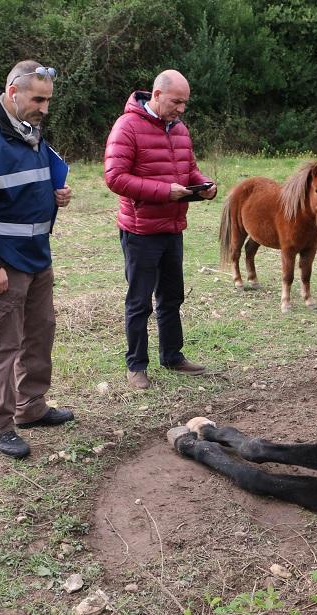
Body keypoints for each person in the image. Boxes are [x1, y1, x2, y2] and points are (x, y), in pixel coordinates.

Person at [0, 60, 74, 459]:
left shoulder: (31, 132)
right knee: (3, 345)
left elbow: (25, 187)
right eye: (38, 99)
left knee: (41, 334)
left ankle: (31, 408)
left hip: (39, 257)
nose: (45, 107)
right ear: (13, 93)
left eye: (48, 100)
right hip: (5, 263)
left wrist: (55, 196)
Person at [103, 70, 215, 390]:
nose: (181, 109)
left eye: (185, 103)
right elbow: (115, 178)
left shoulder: (180, 130)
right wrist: (164, 191)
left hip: (172, 227)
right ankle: (136, 365)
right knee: (139, 301)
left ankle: (172, 356)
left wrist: (204, 186)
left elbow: (189, 169)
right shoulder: (127, 126)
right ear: (156, 95)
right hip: (140, 230)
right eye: (176, 102)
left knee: (171, 296)